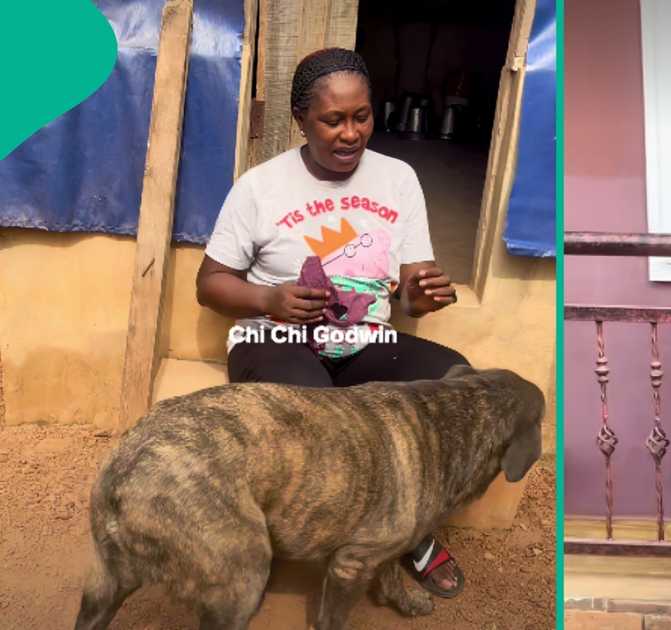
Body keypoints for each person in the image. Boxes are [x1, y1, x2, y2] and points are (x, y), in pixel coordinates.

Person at [196, 47, 468, 599]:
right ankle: (309, 540)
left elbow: (412, 294)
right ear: (301, 120)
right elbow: (209, 284)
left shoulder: (398, 180)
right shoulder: (261, 186)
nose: (351, 133)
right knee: (319, 418)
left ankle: (408, 528)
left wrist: (424, 295)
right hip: (275, 338)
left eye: (361, 116)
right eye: (333, 119)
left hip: (364, 338)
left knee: (456, 386)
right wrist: (268, 300)